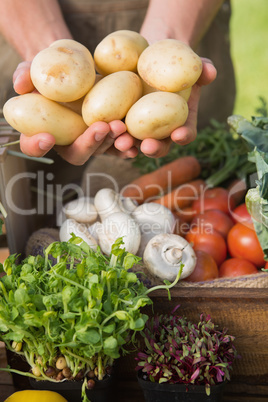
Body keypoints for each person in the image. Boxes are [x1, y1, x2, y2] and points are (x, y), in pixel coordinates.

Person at [0, 0, 234, 167]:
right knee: (37, 200)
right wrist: (44, 50)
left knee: (198, 172)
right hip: (25, 17)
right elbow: (58, 66)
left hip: (178, 11)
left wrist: (168, 37)